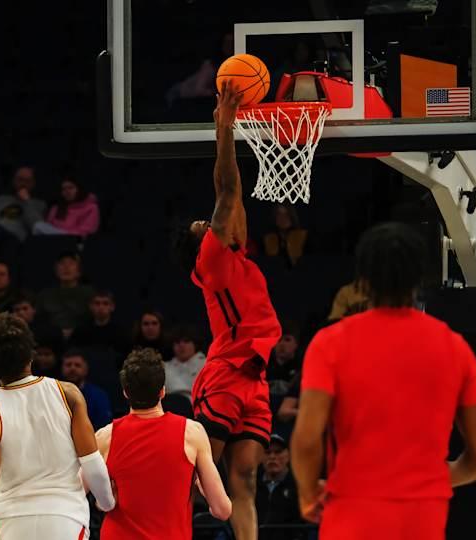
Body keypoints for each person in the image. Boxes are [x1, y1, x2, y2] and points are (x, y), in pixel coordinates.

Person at [292, 222, 476, 539]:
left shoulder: (331, 343)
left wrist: (307, 493)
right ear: (419, 278)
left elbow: (307, 441)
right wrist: (434, 479)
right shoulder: (453, 346)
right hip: (423, 517)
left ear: (362, 280)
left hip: (352, 509)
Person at [172, 82, 282, 540]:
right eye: (204, 224)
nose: (209, 220)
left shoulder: (232, 253)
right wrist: (224, 129)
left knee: (245, 479)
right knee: (197, 474)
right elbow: (228, 188)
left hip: (253, 376)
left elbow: (227, 196)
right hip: (225, 370)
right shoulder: (211, 261)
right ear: (201, 243)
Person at [0, 314, 115, 539]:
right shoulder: (68, 394)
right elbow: (92, 464)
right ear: (31, 356)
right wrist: (107, 504)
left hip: (13, 522)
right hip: (65, 519)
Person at [96, 348, 231, 540]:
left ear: (125, 392)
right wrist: (199, 482)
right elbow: (222, 510)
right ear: (163, 391)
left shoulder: (104, 437)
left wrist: (104, 500)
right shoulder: (192, 433)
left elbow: (76, 494)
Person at [255, 435, 303, 540]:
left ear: (288, 455)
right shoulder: (252, 486)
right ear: (261, 457)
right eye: (267, 452)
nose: (272, 457)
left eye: (278, 452)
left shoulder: (299, 486)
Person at [36, 252, 95, 336]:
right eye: (62, 263)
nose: (66, 267)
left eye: (71, 263)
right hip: (51, 339)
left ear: (79, 271)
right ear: (56, 270)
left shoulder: (90, 294)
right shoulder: (45, 295)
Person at [33, 174, 100, 237]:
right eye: (64, 189)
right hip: (56, 240)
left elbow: (87, 231)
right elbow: (49, 226)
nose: (67, 191)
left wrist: (66, 233)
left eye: (70, 188)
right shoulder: (56, 208)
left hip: (76, 240)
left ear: (78, 189)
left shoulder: (91, 207)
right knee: (38, 226)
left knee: (38, 226)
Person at [61, 350, 112, 430]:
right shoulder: (53, 392)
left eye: (77, 365)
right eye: (68, 365)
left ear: (86, 369)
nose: (72, 368)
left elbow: (104, 425)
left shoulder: (98, 395)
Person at [69, 290, 130, 356]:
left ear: (112, 307)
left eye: (105, 303)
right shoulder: (80, 331)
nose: (101, 307)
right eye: (97, 303)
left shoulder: (120, 332)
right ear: (91, 306)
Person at [163, 326, 206, 403]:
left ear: (195, 344)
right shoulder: (164, 367)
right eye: (177, 342)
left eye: (186, 341)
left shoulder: (207, 364)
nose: (181, 345)